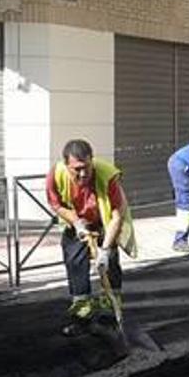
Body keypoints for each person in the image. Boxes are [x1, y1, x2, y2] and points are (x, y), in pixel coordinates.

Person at [46, 139, 136, 336]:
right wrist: (76, 222)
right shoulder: (55, 174)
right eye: (77, 169)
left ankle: (110, 312)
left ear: (92, 160)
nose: (83, 174)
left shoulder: (107, 175)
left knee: (110, 261)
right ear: (66, 164)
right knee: (74, 261)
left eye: (86, 167)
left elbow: (116, 216)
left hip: (105, 220)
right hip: (77, 220)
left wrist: (104, 251)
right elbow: (56, 204)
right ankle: (82, 314)